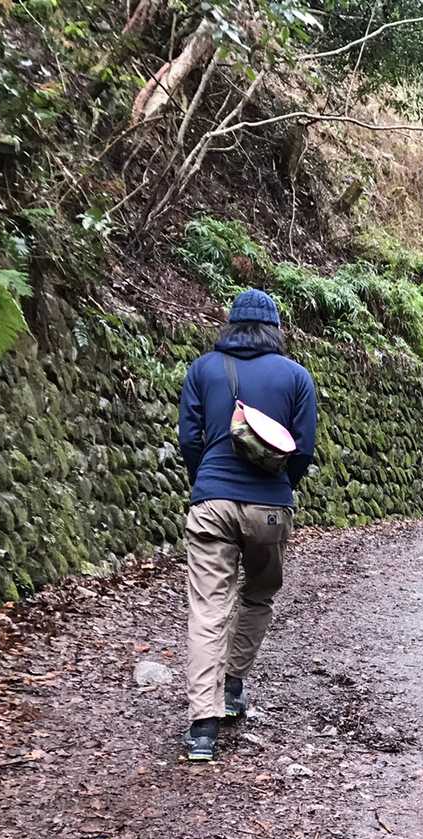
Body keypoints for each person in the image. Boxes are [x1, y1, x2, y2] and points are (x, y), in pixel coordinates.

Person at [177, 289, 317, 762]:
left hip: (211, 502)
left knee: (208, 609)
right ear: (275, 329)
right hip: (269, 508)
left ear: (231, 325)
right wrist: (279, 487)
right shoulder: (296, 376)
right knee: (257, 595)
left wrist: (206, 484)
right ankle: (233, 683)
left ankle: (203, 726)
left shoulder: (203, 369)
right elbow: (302, 449)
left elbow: (190, 439)